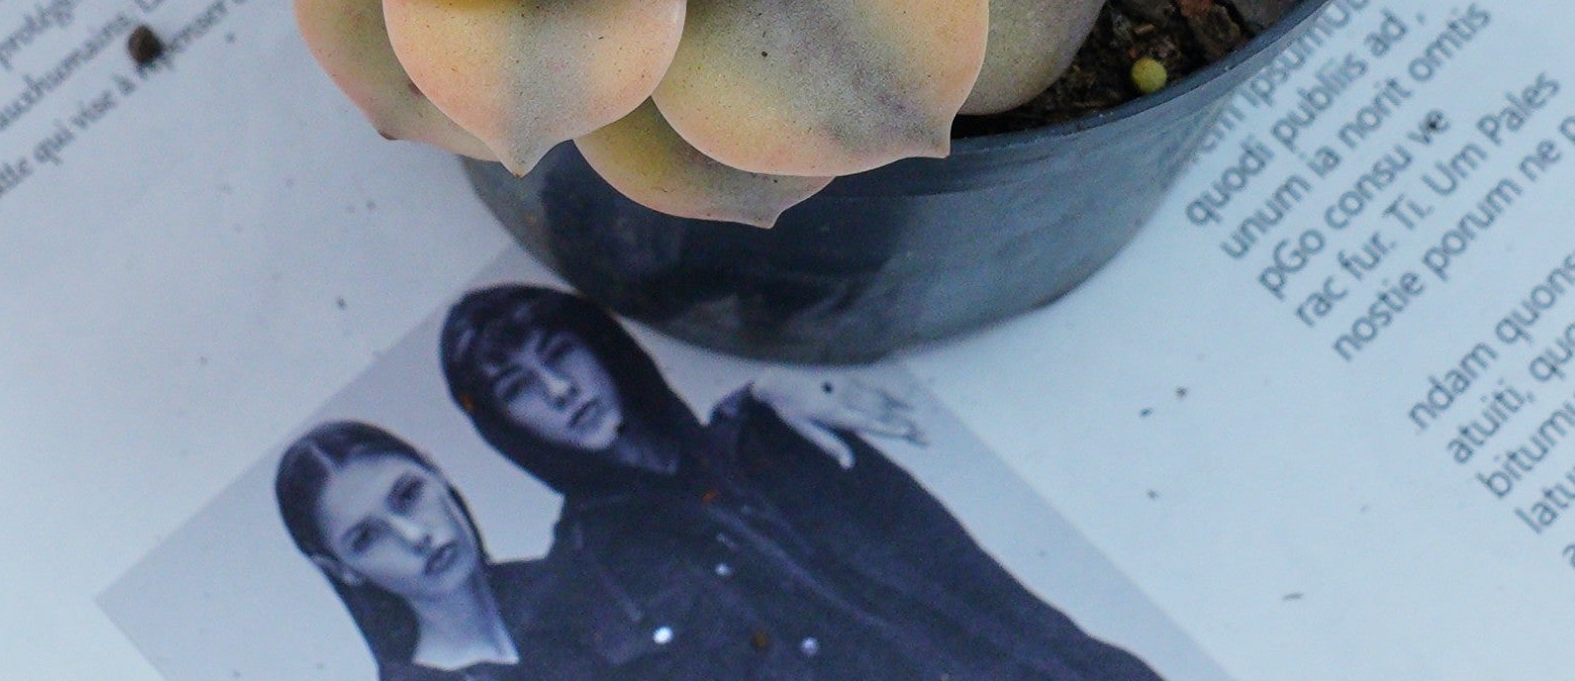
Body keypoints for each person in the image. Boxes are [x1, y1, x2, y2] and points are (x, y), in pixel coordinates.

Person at [439, 285, 1165, 681]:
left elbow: (976, 585)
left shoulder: (776, 432)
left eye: (558, 353)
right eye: (518, 387)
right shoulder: (584, 582)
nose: (558, 390)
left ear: (599, 348)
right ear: (504, 423)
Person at [275, 419, 554, 678]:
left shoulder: (574, 577)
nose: (415, 536)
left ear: (437, 473)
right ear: (341, 569)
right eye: (367, 537)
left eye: (409, 494)